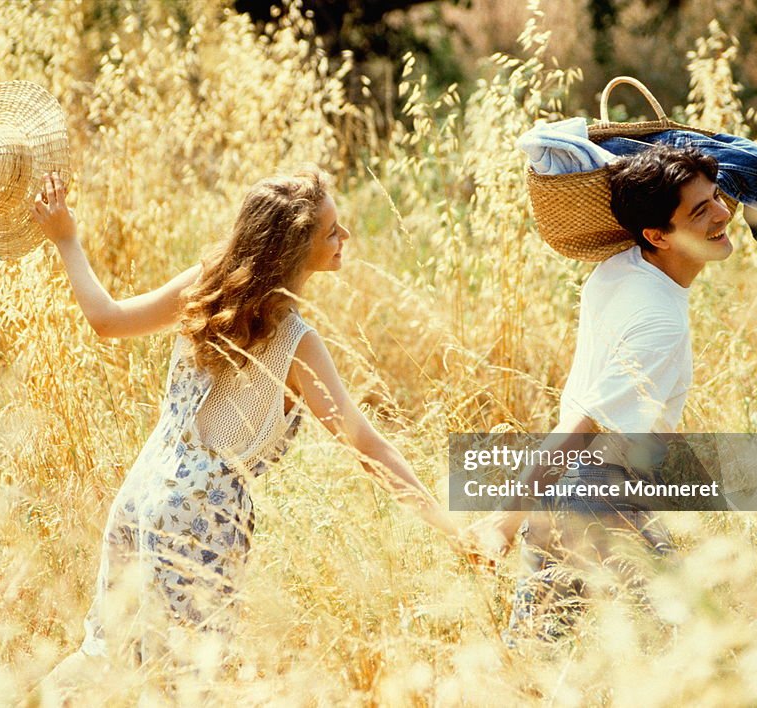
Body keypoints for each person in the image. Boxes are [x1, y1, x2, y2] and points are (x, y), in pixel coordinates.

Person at [31, 167, 469, 676]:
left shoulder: (204, 287)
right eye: (331, 230)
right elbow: (367, 446)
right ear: (295, 249)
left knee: (103, 660)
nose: (344, 237)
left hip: (142, 493)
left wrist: (67, 240)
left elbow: (107, 321)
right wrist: (452, 530)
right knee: (184, 685)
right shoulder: (297, 344)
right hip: (202, 518)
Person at [468, 145, 734, 639]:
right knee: (696, 644)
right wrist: (505, 519)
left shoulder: (624, 264)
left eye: (716, 197)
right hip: (599, 493)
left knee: (534, 655)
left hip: (567, 494)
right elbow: (585, 425)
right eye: (701, 210)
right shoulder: (659, 322)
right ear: (657, 235)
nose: (722, 214)